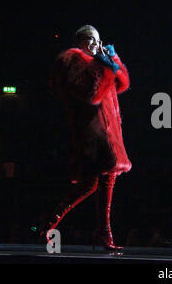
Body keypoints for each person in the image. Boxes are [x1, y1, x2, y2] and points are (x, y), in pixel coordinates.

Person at [39, 25, 132, 253]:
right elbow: (92, 94)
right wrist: (104, 65)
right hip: (91, 133)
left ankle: (104, 233)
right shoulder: (72, 60)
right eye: (90, 40)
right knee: (88, 184)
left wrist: (112, 60)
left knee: (108, 180)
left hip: (109, 133)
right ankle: (48, 223)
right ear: (79, 41)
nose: (94, 44)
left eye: (97, 40)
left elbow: (123, 84)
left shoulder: (98, 61)